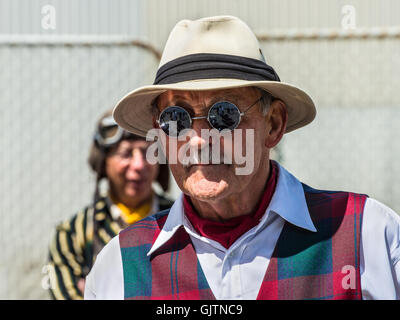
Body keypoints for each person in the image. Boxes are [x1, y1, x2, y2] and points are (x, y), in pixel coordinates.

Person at [84, 16, 400, 300]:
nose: (197, 139)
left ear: (273, 125)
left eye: (224, 114)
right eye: (176, 118)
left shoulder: (368, 235)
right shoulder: (121, 268)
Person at [47, 110, 173, 300]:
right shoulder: (73, 235)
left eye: (148, 152)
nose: (139, 165)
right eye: (126, 154)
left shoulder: (184, 220)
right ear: (103, 163)